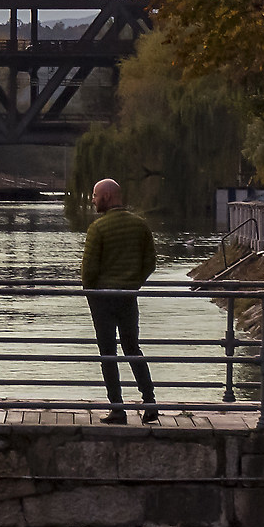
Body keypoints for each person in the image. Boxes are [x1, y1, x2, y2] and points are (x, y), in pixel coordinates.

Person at [81, 177, 159, 424]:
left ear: (107, 196)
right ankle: (150, 402)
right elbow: (150, 263)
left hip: (102, 299)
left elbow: (89, 271)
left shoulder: (98, 228)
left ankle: (117, 409)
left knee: (108, 353)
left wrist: (90, 292)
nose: (93, 201)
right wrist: (133, 283)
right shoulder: (140, 225)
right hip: (128, 297)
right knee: (132, 348)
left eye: (95, 196)